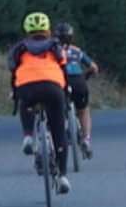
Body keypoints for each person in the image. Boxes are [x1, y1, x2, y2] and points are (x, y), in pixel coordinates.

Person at [6, 12, 73, 194]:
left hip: (27, 86)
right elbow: (63, 67)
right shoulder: (54, 45)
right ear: (48, 30)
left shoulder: (20, 47)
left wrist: (15, 93)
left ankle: (28, 135)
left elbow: (12, 68)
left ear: (27, 30)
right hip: (53, 86)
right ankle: (63, 177)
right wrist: (65, 91)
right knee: (59, 131)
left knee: (25, 102)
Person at [58, 22, 99, 155]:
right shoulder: (77, 51)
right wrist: (87, 75)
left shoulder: (53, 50)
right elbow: (94, 67)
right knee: (83, 110)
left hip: (60, 82)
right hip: (78, 81)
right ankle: (86, 139)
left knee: (57, 110)